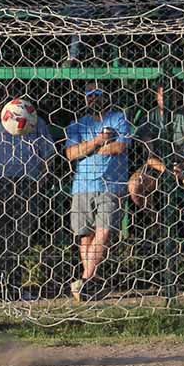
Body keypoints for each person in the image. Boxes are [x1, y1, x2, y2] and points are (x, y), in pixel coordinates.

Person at [0, 102, 55, 300]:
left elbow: (49, 154)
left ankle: (13, 283)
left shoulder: (37, 124)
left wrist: (41, 180)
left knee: (22, 233)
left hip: (28, 183)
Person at [64, 83, 132, 301]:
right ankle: (89, 286)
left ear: (106, 96)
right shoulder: (77, 125)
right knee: (85, 237)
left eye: (97, 95)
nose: (93, 98)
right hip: (82, 185)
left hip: (110, 185)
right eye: (89, 95)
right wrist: (99, 141)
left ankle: (84, 279)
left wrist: (88, 148)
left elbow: (120, 147)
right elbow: (71, 153)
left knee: (104, 232)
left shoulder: (118, 119)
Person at [128, 82, 184, 241]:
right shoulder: (149, 119)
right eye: (162, 94)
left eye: (171, 94)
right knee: (135, 185)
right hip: (159, 168)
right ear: (156, 96)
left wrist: (182, 167)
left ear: (176, 96)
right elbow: (150, 156)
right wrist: (167, 170)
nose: (167, 98)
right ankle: (156, 222)